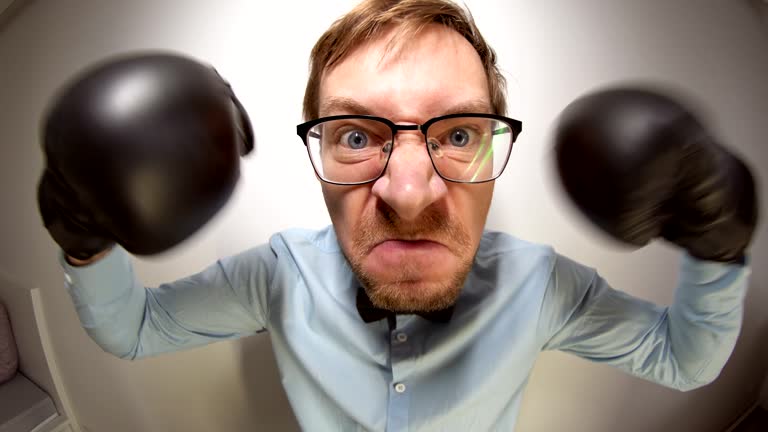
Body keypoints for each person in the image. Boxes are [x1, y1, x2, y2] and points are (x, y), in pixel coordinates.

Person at [37, 0, 756, 431]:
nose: (409, 196)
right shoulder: (275, 275)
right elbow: (133, 331)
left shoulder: (542, 287)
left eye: (457, 134)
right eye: (355, 136)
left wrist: (716, 245)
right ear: (314, 148)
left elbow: (682, 360)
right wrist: (86, 240)